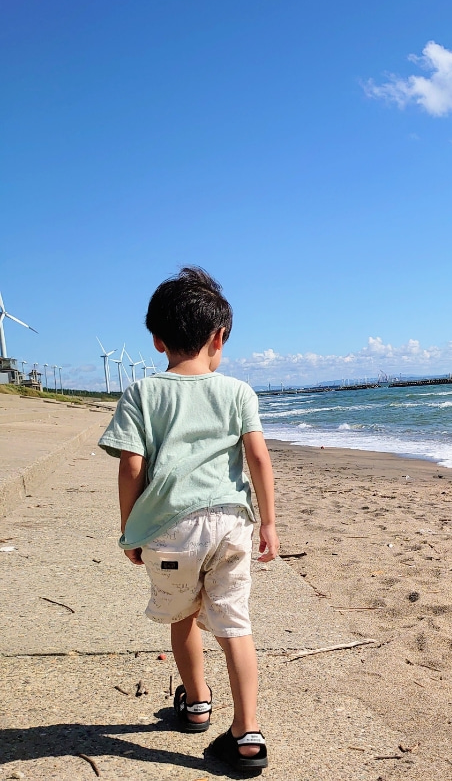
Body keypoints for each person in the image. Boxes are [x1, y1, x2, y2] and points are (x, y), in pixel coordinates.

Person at [99, 266, 279, 772]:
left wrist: (130, 530)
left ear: (157, 341)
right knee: (234, 624)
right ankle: (248, 733)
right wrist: (268, 522)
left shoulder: (141, 393)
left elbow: (131, 465)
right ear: (219, 337)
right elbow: (259, 459)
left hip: (169, 531)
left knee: (183, 616)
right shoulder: (239, 392)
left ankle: (196, 702)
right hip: (231, 524)